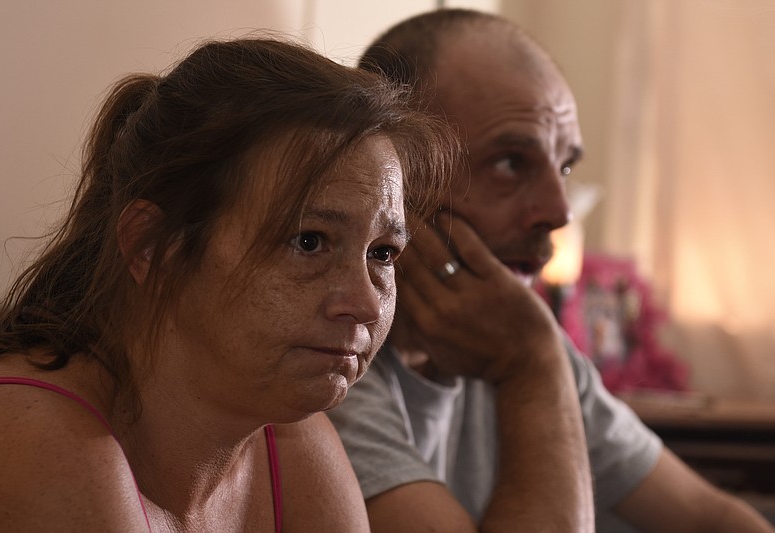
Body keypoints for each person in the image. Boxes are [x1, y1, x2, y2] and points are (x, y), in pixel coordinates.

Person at [0, 36, 458, 532]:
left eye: (382, 253)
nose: (365, 305)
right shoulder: (34, 443)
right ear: (152, 247)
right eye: (309, 241)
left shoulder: (294, 447)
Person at [327, 8, 775, 533]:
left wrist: (535, 358)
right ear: (395, 179)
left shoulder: (518, 335)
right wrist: (530, 368)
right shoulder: (330, 368)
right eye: (511, 162)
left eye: (564, 166)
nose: (560, 212)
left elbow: (713, 519)